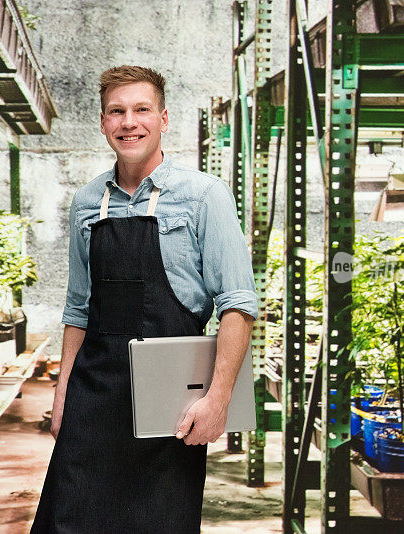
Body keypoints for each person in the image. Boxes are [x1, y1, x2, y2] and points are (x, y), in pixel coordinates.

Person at [31, 65, 256, 533]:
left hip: (167, 406)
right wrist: (62, 396)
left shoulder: (203, 196)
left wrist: (217, 399)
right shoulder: (88, 202)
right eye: (116, 111)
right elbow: (78, 309)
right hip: (95, 397)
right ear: (103, 122)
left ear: (163, 119)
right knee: (70, 519)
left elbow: (237, 304)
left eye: (141, 110)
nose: (128, 122)